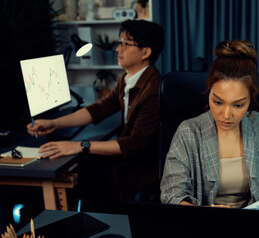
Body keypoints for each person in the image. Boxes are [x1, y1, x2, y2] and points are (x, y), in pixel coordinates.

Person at [27, 19, 164, 213]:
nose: (118, 49)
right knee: (82, 163)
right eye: (120, 42)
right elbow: (99, 109)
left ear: (146, 52)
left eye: (126, 43)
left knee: (84, 167)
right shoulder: (127, 79)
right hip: (129, 159)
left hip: (140, 169)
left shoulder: (153, 90)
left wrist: (79, 145)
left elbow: (133, 144)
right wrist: (54, 123)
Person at [160, 39, 259, 208]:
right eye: (218, 102)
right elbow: (173, 194)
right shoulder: (188, 132)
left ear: (251, 99)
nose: (226, 115)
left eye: (238, 105)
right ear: (209, 91)